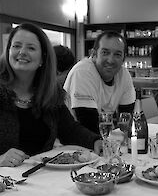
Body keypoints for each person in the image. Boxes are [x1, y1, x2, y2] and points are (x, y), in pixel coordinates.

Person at [0, 23, 102, 167]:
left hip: (42, 181)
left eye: (31, 48)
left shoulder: (51, 93)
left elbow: (70, 130)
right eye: (16, 46)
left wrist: (95, 141)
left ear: (42, 58)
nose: (22, 52)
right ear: (8, 51)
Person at [63, 30, 136, 134]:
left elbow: (127, 117)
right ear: (93, 54)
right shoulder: (83, 72)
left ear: (123, 59)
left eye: (117, 54)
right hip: (74, 141)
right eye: (105, 53)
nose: (110, 60)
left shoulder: (124, 74)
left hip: (101, 139)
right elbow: (88, 124)